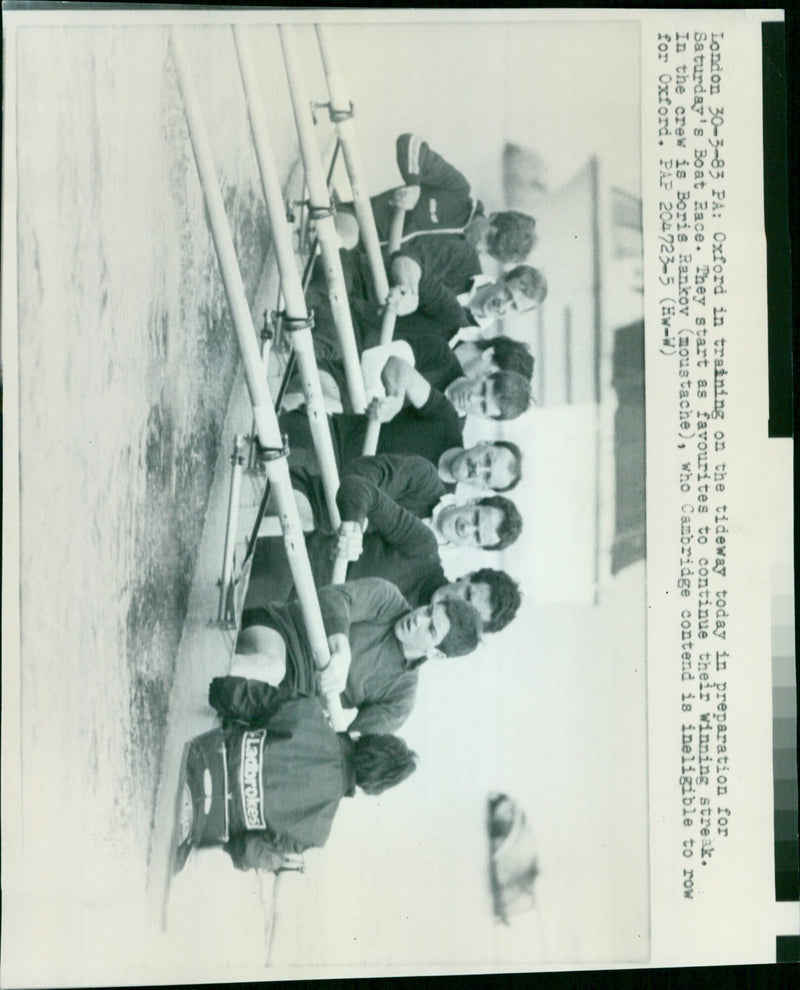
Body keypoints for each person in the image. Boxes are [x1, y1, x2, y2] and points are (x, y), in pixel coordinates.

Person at [175, 682, 417, 873]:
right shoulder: (316, 832)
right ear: (371, 787)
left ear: (365, 738)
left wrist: (218, 690)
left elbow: (242, 695)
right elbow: (248, 854)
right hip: (199, 824)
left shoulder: (309, 712)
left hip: (198, 751)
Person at [234, 577, 483, 735]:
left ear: (436, 654)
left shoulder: (401, 698)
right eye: (429, 610)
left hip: (287, 701)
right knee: (272, 669)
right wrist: (341, 649)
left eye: (430, 629)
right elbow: (334, 597)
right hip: (282, 632)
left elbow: (352, 742)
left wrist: (329, 721)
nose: (419, 618)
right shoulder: (389, 598)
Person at [425, 568, 522, 635]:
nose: (452, 604)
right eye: (468, 594)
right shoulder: (419, 548)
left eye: (465, 612)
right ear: (468, 576)